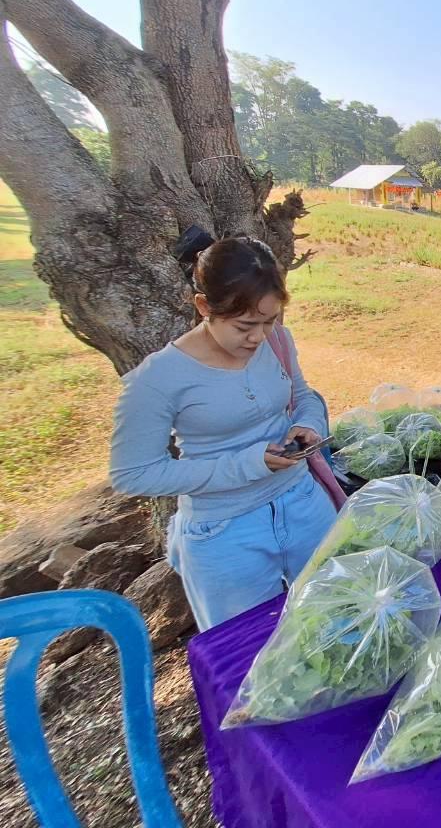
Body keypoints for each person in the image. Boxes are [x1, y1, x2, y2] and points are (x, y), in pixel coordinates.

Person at [109, 236, 336, 630]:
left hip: (303, 504)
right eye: (245, 325)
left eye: (269, 321)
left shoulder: (278, 340)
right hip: (225, 533)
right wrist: (246, 464)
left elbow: (303, 395)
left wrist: (308, 425)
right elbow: (134, 473)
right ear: (203, 307)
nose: (259, 337)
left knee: (335, 621)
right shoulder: (158, 378)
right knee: (247, 651)